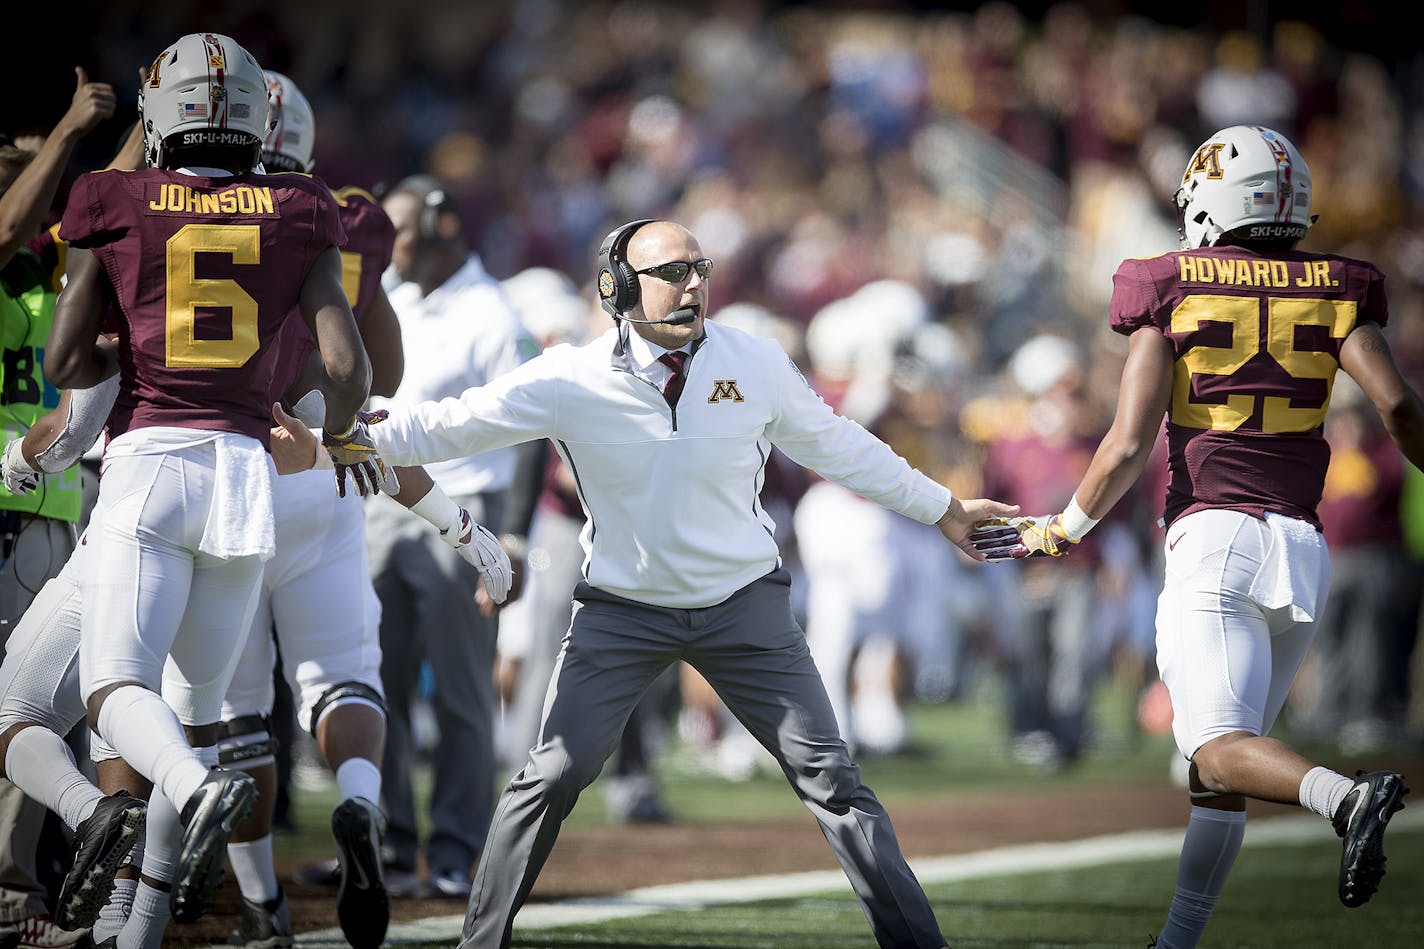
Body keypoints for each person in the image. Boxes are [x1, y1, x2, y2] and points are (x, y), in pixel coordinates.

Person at [273, 217, 1023, 949]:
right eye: (673, 272)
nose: (694, 285)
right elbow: (445, 426)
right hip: (623, 611)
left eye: (700, 270)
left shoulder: (754, 360)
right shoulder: (571, 375)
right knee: (551, 776)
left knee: (834, 780)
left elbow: (842, 447)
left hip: (744, 607)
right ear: (618, 285)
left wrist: (945, 510)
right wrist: (330, 443)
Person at [971, 125, 1423, 948]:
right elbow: (1398, 407)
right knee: (1221, 773)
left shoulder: (1168, 284)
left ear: (1209, 203)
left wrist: (1062, 529)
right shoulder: (1336, 285)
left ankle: (1344, 798)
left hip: (1215, 535)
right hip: (1303, 550)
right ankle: (1176, 942)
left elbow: (1127, 441)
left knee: (1214, 751)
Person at [41, 31, 377, 929]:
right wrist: (336, 437)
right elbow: (350, 373)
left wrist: (127, 339)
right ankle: (136, 927)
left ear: (162, 110)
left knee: (118, 693)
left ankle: (194, 791)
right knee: (188, 710)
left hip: (150, 460)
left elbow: (67, 357)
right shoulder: (304, 205)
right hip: (245, 476)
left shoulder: (108, 195)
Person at [361, 174, 540, 898]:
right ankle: (395, 845)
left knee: (462, 689)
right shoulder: (393, 296)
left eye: (397, 230)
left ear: (442, 230)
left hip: (467, 505)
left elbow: (532, 429)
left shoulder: (493, 311)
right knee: (380, 678)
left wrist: (515, 538)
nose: (385, 245)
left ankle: (460, 848)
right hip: (381, 504)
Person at [0, 66, 118, 949]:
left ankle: (19, 892)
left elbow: (98, 206)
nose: (41, 185)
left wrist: (155, 124)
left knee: (31, 707)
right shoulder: (7, 248)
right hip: (7, 503)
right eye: (21, 166)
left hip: (49, 505)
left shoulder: (63, 267)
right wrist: (72, 128)